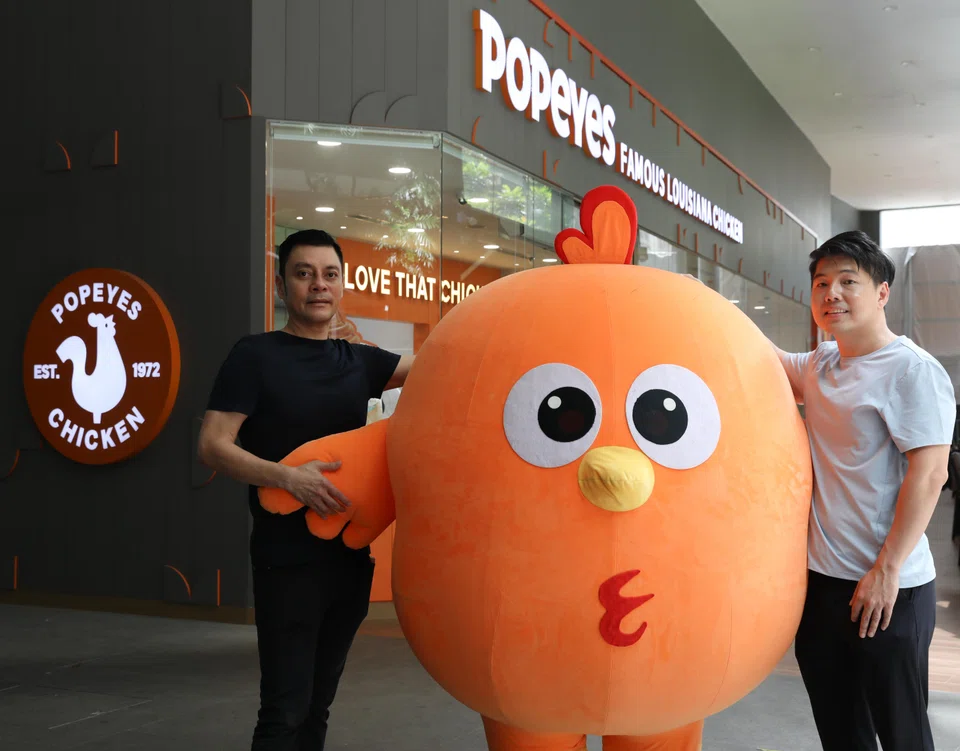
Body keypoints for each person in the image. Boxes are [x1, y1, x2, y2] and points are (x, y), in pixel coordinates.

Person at [197, 229, 413, 750]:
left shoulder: (360, 361)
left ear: (342, 285)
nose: (319, 285)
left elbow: (446, 367)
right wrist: (287, 477)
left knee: (318, 706)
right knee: (285, 710)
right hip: (286, 561)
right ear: (281, 285)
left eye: (330, 274)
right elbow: (212, 445)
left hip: (349, 561)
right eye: (304, 273)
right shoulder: (255, 355)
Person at [770, 231, 954, 750]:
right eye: (821, 283)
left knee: (903, 736)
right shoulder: (822, 364)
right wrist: (697, 299)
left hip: (889, 588)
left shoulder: (912, 371)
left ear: (882, 292)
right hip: (824, 586)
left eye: (848, 281)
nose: (831, 293)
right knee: (840, 731)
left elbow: (931, 472)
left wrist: (887, 570)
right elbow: (761, 356)